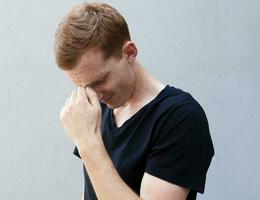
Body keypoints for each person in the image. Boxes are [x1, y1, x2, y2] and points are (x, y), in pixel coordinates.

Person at [54, 2, 215, 200]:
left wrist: (87, 142)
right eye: (82, 86)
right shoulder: (99, 110)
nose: (95, 95)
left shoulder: (180, 117)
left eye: (100, 81)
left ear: (129, 52)